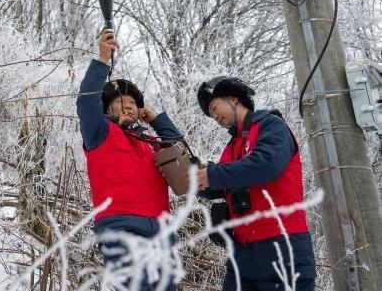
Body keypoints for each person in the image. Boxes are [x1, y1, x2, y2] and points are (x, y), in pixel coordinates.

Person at [77, 29, 182, 291]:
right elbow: (86, 102)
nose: (128, 105)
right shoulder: (100, 132)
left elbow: (180, 151)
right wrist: (103, 59)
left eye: (134, 102)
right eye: (120, 101)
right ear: (107, 109)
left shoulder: (150, 143)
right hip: (121, 226)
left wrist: (156, 119)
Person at [196, 76, 315, 291]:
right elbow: (224, 183)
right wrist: (197, 179)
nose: (215, 117)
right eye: (211, 115)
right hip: (243, 252)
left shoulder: (271, 124)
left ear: (233, 99)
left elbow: (267, 164)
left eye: (214, 108)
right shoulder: (232, 146)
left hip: (282, 244)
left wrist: (213, 174)